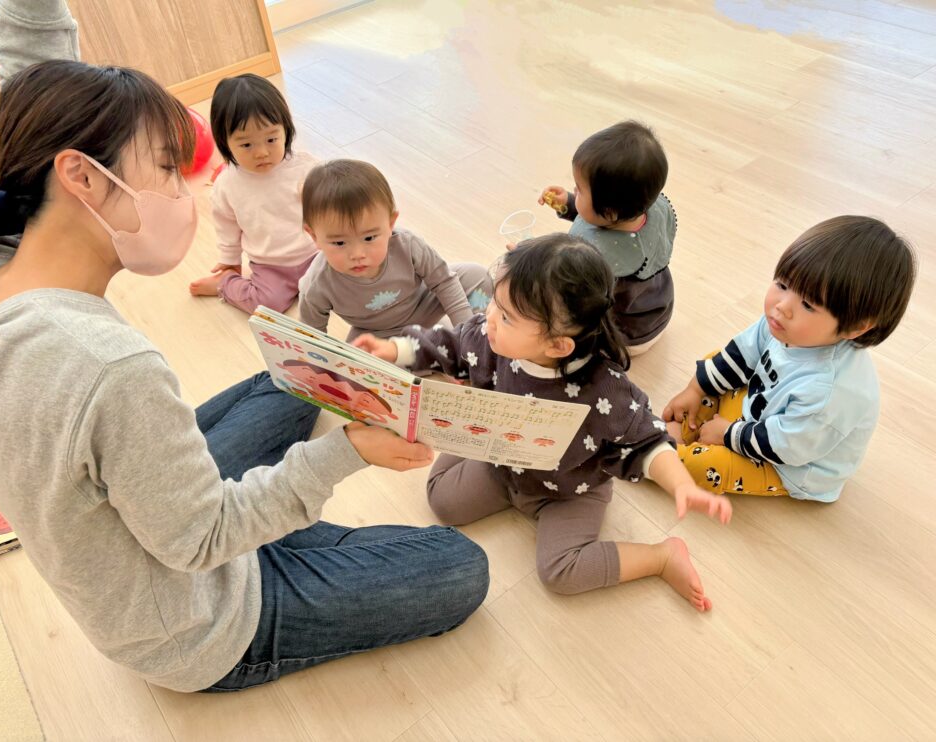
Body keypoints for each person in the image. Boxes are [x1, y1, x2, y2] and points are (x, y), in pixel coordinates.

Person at [0, 0, 487, 693]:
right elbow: (202, 540)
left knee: (291, 379)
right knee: (460, 566)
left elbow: (28, 71)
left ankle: (275, 515)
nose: (183, 188)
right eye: (165, 167)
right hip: (196, 621)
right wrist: (349, 452)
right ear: (82, 176)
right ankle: (281, 531)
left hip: (147, 525)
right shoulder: (108, 367)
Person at [356, 235, 732, 611]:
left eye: (506, 317)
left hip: (570, 490)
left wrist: (681, 484)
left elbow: (646, 441)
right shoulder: (489, 338)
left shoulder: (604, 392)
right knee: (442, 501)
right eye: (495, 302)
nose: (489, 318)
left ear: (557, 346)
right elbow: (448, 344)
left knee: (560, 573)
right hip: (503, 463)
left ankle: (661, 557)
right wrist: (393, 350)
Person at [662, 216, 916, 502]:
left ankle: (667, 452)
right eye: (783, 284)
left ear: (856, 327)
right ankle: (696, 425)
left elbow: (785, 447)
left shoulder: (830, 391)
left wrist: (728, 435)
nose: (782, 306)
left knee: (704, 467)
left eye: (807, 304)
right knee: (719, 364)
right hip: (765, 414)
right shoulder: (785, 323)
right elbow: (742, 353)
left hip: (787, 463)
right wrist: (695, 389)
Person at [298, 159, 491, 340]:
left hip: (424, 304)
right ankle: (428, 347)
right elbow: (312, 336)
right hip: (377, 333)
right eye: (339, 243)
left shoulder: (407, 244)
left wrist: (466, 335)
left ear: (391, 223)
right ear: (314, 236)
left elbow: (444, 282)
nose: (357, 254)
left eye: (369, 238)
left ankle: (470, 338)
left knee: (476, 276)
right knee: (358, 359)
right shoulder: (316, 284)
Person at [538, 120, 676, 355]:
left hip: (627, 336)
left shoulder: (602, 257)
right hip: (657, 313)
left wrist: (531, 259)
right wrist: (569, 203)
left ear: (609, 212)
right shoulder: (644, 208)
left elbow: (568, 288)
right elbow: (595, 218)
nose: (574, 190)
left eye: (579, 190)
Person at [188, 74, 318, 313]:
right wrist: (230, 262)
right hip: (271, 266)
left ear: (286, 131)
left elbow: (334, 203)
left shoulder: (304, 167)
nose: (261, 153)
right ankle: (225, 284)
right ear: (225, 142)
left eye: (271, 139)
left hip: (316, 254)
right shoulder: (228, 184)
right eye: (246, 144)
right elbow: (226, 225)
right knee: (267, 305)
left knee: (349, 282)